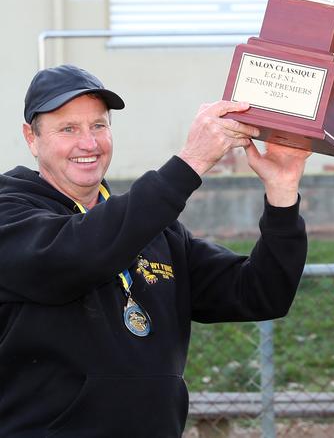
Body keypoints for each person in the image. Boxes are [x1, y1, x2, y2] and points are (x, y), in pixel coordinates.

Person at [0, 64, 310, 437]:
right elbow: (80, 253)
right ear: (31, 139)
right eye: (68, 129)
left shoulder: (153, 230)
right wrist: (191, 161)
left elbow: (261, 294)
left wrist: (282, 193)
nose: (89, 143)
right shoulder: (11, 214)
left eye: (98, 125)